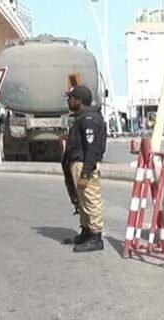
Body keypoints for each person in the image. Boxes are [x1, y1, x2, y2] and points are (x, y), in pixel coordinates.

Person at [62, 85, 107, 252]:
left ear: (79, 100)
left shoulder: (89, 119)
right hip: (77, 163)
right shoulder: (82, 118)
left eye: (71, 98)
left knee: (91, 200)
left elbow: (92, 148)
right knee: (82, 202)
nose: (69, 100)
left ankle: (96, 237)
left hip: (85, 165)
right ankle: (86, 231)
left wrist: (86, 174)